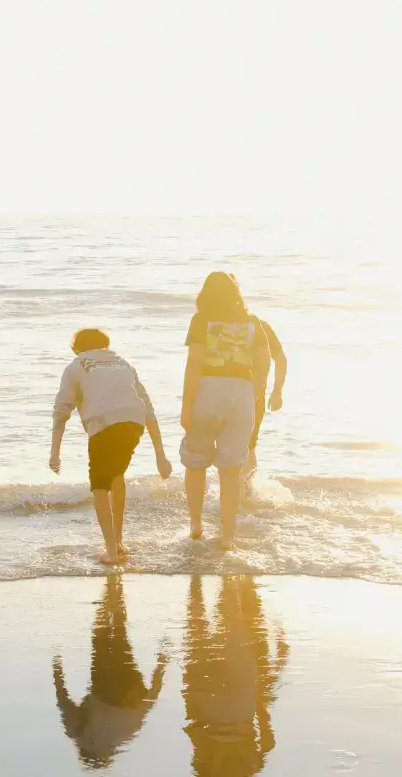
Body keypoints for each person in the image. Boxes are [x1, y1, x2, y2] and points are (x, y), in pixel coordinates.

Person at [50, 328, 173, 564]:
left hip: (104, 424)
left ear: (77, 347)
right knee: (117, 475)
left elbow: (61, 411)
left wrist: (55, 453)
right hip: (133, 423)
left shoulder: (76, 366)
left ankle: (111, 551)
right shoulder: (123, 364)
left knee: (99, 485)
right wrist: (161, 456)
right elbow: (148, 408)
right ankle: (117, 541)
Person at [179, 272, 268, 549]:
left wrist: (186, 405)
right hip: (241, 390)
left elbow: (194, 362)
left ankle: (196, 525)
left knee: (195, 462)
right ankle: (228, 536)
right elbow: (264, 364)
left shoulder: (201, 321)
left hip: (208, 388)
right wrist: (253, 395)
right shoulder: (253, 323)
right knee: (231, 469)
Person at [52, 575, 169, 769]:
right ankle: (111, 589)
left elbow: (150, 700)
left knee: (120, 637)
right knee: (100, 636)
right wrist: (56, 667)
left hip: (133, 693)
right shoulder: (80, 737)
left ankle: (115, 590)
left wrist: (162, 665)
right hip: (108, 693)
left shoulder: (125, 737)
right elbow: (62, 699)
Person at [183, 575, 288, 776]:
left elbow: (268, 741)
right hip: (209, 704)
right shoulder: (206, 770)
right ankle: (197, 572)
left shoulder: (250, 768)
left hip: (241, 705)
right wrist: (190, 690)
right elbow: (195, 733)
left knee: (231, 620)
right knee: (197, 624)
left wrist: (260, 699)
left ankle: (227, 568)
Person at [247, 317, 287, 475]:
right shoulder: (259, 325)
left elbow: (280, 359)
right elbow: (280, 359)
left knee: (242, 447)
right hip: (255, 398)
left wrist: (277, 391)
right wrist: (277, 391)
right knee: (248, 447)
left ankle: (240, 491)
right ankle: (243, 492)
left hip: (252, 398)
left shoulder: (260, 326)